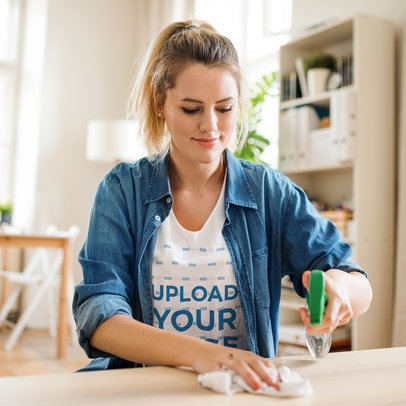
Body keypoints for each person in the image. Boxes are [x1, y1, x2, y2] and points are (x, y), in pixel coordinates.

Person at [73, 20, 372, 391]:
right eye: (191, 108)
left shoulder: (269, 192)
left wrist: (342, 289)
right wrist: (203, 354)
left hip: (242, 393)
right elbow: (98, 316)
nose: (210, 126)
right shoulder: (122, 191)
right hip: (144, 391)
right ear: (160, 104)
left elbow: (356, 280)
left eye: (225, 108)